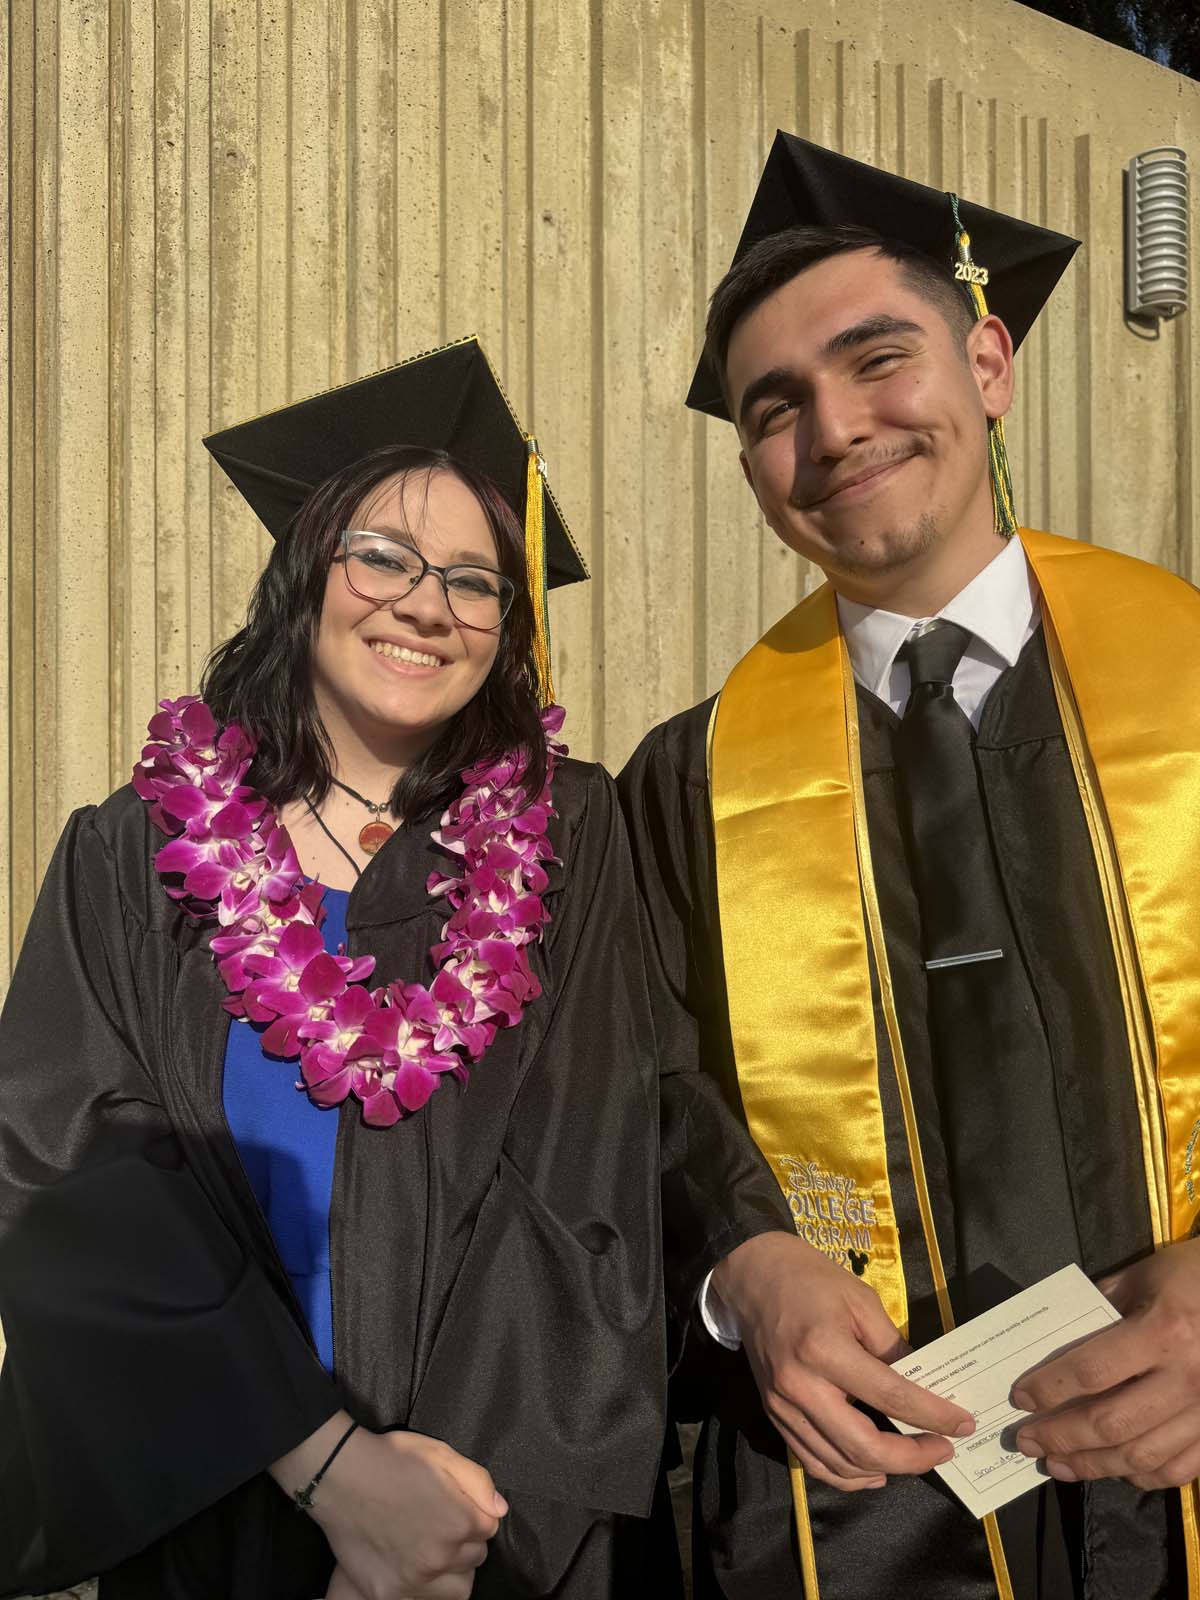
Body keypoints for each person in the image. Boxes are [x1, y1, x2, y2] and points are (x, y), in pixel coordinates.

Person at [0, 337, 680, 1600]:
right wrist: (329, 1468)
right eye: (384, 555)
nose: (427, 603)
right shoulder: (135, 852)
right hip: (216, 1486)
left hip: (490, 1521)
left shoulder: (570, 837)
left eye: (476, 581)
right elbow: (72, 1172)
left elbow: (589, 1170)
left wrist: (442, 1525)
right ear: (306, 571)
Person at [618, 132, 1200, 1599]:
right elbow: (646, 1082)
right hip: (867, 1508)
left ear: (988, 363)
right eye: (775, 410)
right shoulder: (688, 782)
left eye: (880, 359)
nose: (837, 428)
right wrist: (744, 1272)